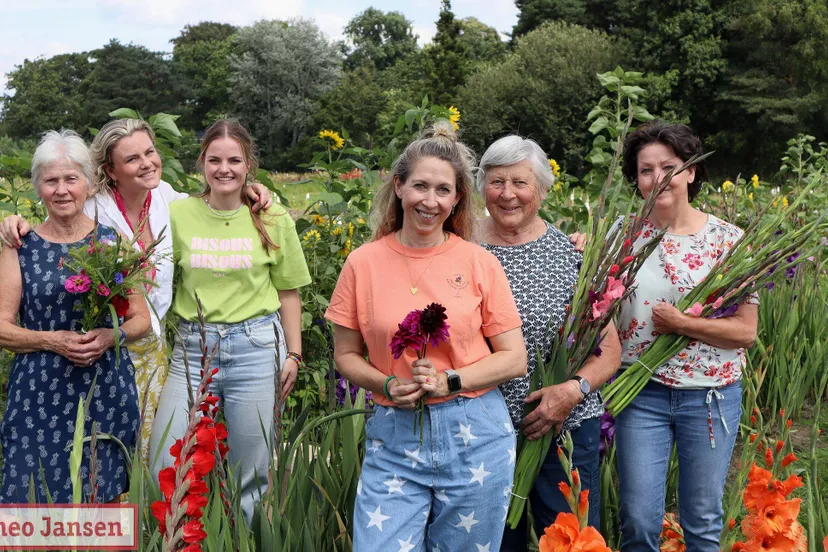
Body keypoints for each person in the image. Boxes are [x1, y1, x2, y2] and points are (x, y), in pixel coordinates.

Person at [0, 118, 272, 462]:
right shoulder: (91, 204)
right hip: (100, 354)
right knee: (100, 454)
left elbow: (216, 200)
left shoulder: (168, 199)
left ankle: (149, 517)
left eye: (150, 152)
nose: (147, 163)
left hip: (152, 350)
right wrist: (15, 222)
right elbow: (54, 215)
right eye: (132, 159)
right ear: (110, 171)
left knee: (150, 456)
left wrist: (251, 189)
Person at [326, 122, 527, 551]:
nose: (430, 201)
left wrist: (449, 380)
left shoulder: (479, 262)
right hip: (395, 433)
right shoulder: (362, 264)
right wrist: (385, 383)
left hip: (474, 433)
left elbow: (513, 358)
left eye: (443, 190)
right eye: (420, 186)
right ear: (398, 186)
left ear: (457, 199)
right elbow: (345, 354)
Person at [148, 119, 310, 525]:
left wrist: (293, 352)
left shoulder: (272, 218)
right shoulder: (177, 213)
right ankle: (177, 539)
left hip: (255, 347)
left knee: (251, 476)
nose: (225, 169)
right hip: (193, 348)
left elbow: (289, 292)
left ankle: (243, 540)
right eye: (215, 159)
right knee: (164, 459)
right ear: (201, 162)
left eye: (235, 160)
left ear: (248, 164)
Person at [614, 121, 758, 551]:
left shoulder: (726, 241)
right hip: (640, 392)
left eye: (669, 167)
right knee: (638, 521)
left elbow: (745, 333)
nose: (657, 178)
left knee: (702, 521)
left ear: (691, 172)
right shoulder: (619, 236)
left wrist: (683, 325)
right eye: (645, 169)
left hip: (711, 395)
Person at [474, 135, 621, 549]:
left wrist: (572, 391)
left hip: (564, 427)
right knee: (495, 542)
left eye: (520, 183)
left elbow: (610, 351)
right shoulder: (458, 248)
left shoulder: (572, 255)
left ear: (541, 188)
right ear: (482, 185)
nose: (507, 195)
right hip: (481, 432)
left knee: (571, 541)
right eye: (496, 181)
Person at [0, 130, 151, 503]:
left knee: (103, 503)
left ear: (89, 182)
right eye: (51, 180)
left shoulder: (112, 242)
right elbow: (2, 328)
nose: (62, 189)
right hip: (37, 395)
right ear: (38, 187)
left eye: (71, 178)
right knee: (32, 503)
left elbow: (141, 319)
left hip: (103, 390)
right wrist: (52, 340)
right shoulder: (19, 246)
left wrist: (109, 337)